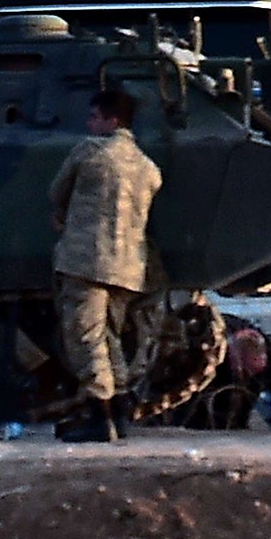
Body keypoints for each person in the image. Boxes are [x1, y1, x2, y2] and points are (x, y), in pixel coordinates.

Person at [48, 88, 163, 444]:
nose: (89, 123)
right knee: (109, 337)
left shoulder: (90, 152)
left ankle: (100, 416)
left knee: (84, 337)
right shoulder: (148, 167)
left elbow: (57, 193)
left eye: (94, 116)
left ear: (112, 120)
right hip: (129, 266)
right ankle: (121, 409)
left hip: (86, 260)